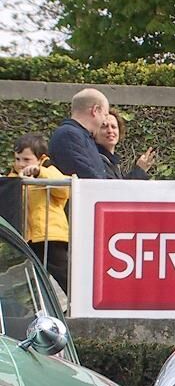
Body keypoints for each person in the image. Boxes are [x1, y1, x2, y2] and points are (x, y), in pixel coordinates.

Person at [8, 134, 71, 291]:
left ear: (40, 159)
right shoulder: (13, 178)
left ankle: (77, 304)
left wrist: (39, 172)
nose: (20, 164)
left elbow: (64, 190)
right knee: (28, 279)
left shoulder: (49, 171)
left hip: (50, 235)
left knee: (64, 275)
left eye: (26, 160)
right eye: (17, 159)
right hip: (26, 238)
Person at [48, 88, 109, 179]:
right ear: (95, 110)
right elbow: (84, 175)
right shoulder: (68, 135)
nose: (105, 122)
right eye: (105, 115)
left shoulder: (79, 136)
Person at [95, 108, 156, 180]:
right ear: (94, 131)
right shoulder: (95, 160)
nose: (110, 131)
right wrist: (139, 171)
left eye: (114, 127)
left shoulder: (113, 162)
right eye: (104, 127)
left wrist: (140, 169)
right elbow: (116, 190)